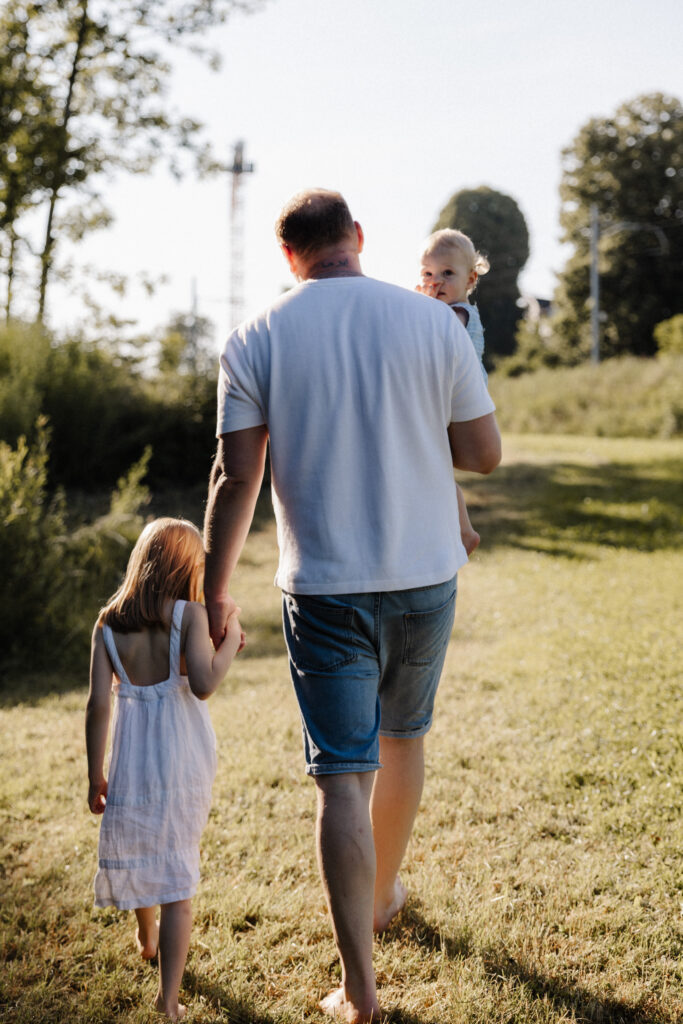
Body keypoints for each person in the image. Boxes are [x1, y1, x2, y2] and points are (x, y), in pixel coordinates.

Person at [203, 188, 501, 1023]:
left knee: (341, 779)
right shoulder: (433, 323)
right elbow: (481, 455)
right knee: (404, 736)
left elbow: (236, 477)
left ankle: (358, 990)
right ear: (359, 239)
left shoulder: (256, 336)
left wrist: (213, 590)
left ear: (287, 256)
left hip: (324, 585)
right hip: (423, 575)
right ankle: (378, 898)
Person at [85, 517, 244, 1022]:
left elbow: (97, 706)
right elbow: (203, 683)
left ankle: (145, 933)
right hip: (180, 758)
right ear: (185, 570)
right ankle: (168, 997)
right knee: (178, 875)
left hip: (131, 758)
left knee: (141, 841)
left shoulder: (108, 624)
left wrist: (95, 773)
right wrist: (230, 640)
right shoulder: (190, 616)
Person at [417, 227, 492, 556]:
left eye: (448, 273)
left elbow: (436, 336)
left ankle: (462, 529)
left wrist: (419, 304)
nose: (437, 281)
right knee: (434, 469)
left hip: (459, 401)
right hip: (444, 397)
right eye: (428, 273)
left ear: (470, 280)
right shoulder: (442, 312)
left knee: (433, 466)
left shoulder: (459, 314)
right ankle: (461, 530)